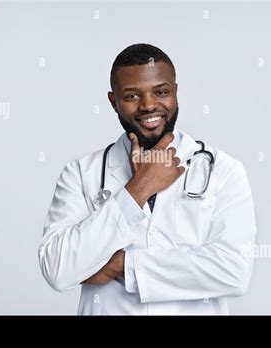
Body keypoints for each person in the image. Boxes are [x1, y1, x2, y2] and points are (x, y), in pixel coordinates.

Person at [38, 43, 257, 315]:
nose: (149, 105)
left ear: (176, 92)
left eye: (161, 92)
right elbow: (58, 269)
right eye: (131, 96)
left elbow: (234, 271)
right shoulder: (81, 173)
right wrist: (138, 189)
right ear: (113, 101)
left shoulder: (223, 170)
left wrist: (123, 266)